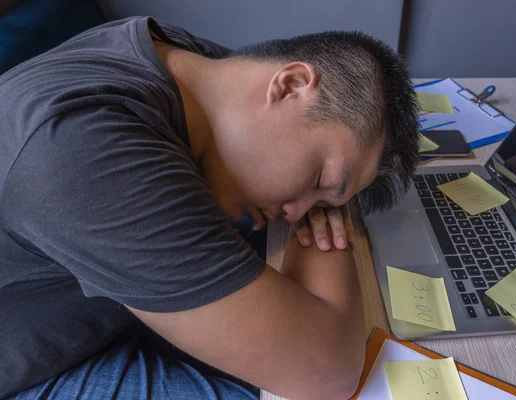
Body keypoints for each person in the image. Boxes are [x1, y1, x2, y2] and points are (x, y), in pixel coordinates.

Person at [0, 17, 419, 399]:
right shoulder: (87, 148)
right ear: (290, 85)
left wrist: (328, 196)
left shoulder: (194, 66)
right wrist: (332, 231)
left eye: (327, 205)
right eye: (319, 180)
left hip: (97, 306)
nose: (298, 213)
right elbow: (327, 377)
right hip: (31, 368)